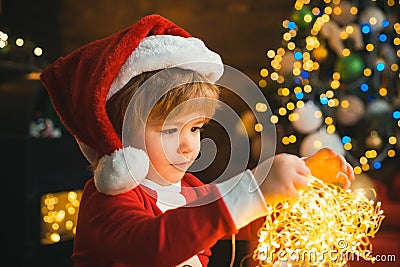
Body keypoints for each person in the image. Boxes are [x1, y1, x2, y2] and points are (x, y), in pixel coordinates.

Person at [40, 14, 354, 267]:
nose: (189, 146)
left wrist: (301, 179)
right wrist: (254, 189)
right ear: (118, 134)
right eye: (170, 131)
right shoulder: (107, 200)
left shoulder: (188, 188)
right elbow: (154, 246)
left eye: (196, 128)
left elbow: (232, 222)